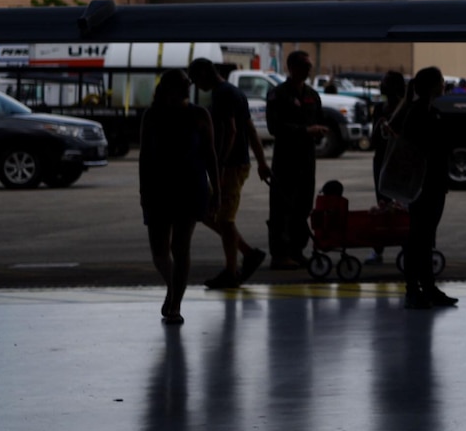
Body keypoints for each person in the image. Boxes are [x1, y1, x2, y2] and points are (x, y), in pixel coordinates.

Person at [139, 69, 216, 324]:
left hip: (190, 188)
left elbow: (210, 155)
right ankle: (173, 288)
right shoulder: (152, 116)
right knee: (159, 252)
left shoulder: (199, 115)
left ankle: (176, 303)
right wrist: (143, 191)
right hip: (159, 189)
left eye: (188, 84)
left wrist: (217, 189)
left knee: (180, 247)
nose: (187, 88)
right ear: (168, 88)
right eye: (183, 84)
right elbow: (144, 157)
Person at [187, 57, 269, 289]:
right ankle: (246, 254)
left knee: (223, 218)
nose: (195, 85)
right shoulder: (235, 92)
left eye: (195, 80)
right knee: (208, 212)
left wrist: (219, 167)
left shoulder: (221, 94)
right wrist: (261, 162)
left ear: (204, 73)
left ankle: (232, 273)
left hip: (230, 166)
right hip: (237, 164)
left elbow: (232, 131)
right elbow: (250, 130)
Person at [386, 67, 457, 309]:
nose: (444, 83)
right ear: (433, 86)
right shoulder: (418, 113)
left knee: (425, 238)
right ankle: (413, 289)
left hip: (434, 183)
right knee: (418, 237)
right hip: (422, 185)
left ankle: (426, 287)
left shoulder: (429, 111)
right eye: (441, 80)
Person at [264, 51, 329, 269]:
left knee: (303, 206)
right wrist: (305, 130)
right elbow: (275, 127)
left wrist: (319, 131)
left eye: (309, 65)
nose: (309, 70)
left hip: (307, 158)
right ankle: (279, 254)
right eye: (304, 65)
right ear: (291, 67)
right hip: (285, 158)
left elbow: (318, 119)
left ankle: (297, 251)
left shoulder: (312, 94)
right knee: (282, 207)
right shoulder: (278, 94)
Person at [368, 70, 409, 263]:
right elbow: (373, 140)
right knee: (383, 205)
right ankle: (378, 250)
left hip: (400, 161)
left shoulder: (407, 108)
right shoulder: (380, 109)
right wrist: (380, 125)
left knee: (403, 205)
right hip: (382, 161)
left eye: (385, 82)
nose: (381, 86)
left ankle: (406, 246)